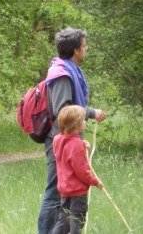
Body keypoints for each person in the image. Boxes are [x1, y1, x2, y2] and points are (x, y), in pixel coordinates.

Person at [37, 27, 107, 234]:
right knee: (54, 193)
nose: (87, 49)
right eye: (84, 46)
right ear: (76, 50)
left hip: (70, 141)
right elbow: (63, 111)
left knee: (62, 195)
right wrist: (91, 112)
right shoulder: (61, 74)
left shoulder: (71, 69)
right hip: (59, 141)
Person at [52, 105, 104, 234]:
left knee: (64, 220)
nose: (85, 122)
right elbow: (81, 171)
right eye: (82, 120)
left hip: (65, 189)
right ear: (76, 125)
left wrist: (81, 144)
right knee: (77, 221)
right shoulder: (75, 144)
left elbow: (68, 151)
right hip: (77, 191)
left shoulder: (58, 140)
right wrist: (95, 181)